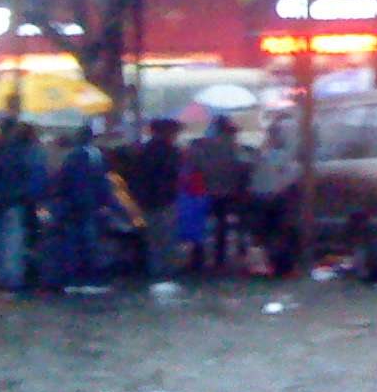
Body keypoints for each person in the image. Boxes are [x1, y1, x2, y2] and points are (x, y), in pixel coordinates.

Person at [51, 122, 117, 291]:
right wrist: (108, 203)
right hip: (87, 205)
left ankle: (74, 280)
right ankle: (87, 280)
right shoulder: (94, 155)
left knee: (74, 243)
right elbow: (101, 182)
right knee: (88, 243)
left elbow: (63, 181)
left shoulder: (73, 156)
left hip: (75, 205)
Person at [0, 116, 48, 291]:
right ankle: (12, 279)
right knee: (12, 240)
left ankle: (5, 279)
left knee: (5, 240)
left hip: (7, 200)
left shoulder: (6, 150)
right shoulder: (31, 152)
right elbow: (36, 179)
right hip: (19, 200)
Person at [121, 117, 184, 281]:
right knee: (166, 239)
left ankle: (154, 271)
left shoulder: (143, 151)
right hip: (165, 199)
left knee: (152, 240)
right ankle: (166, 273)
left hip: (146, 200)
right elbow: (176, 172)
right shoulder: (170, 151)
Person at [186, 114, 248, 273]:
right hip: (227, 192)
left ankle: (198, 258)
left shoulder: (203, 146)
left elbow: (195, 165)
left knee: (201, 225)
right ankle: (219, 259)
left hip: (204, 192)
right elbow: (242, 167)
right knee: (222, 226)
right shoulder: (234, 148)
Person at [245, 128, 301, 277]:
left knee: (264, 234)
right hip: (275, 197)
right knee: (277, 233)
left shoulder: (261, 156)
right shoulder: (282, 157)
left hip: (264, 197)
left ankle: (268, 265)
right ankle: (278, 265)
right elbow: (291, 177)